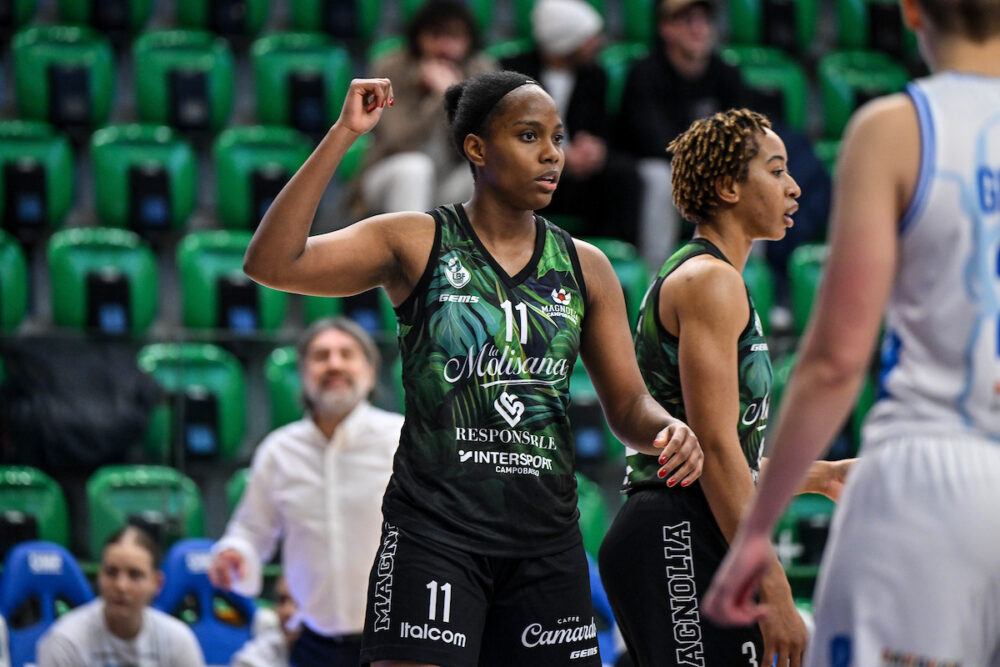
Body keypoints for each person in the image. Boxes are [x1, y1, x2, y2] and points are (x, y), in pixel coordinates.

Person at [241, 70, 704, 666]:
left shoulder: (585, 266)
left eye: (557, 139)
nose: (551, 155)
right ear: (477, 149)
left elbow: (627, 406)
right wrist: (344, 133)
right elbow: (272, 261)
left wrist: (666, 426)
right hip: (436, 533)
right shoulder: (415, 240)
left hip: (545, 540)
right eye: (529, 136)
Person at [703, 1, 1000, 665]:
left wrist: (755, 536)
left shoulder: (895, 129)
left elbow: (836, 360)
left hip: (929, 466)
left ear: (911, 11)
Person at [598, 109, 851, 667]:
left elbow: (721, 448)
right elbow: (713, 450)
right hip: (673, 532)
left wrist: (821, 477)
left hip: (685, 526)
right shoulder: (710, 282)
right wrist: (774, 589)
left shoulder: (715, 278)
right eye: (776, 170)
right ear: (729, 186)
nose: (794, 185)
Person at [208, 318, 403, 667]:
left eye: (347, 354)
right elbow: (251, 531)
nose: (334, 364)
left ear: (371, 372)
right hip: (312, 644)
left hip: (395, 643)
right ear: (302, 373)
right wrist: (235, 553)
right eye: (321, 356)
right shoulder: (278, 450)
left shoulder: (401, 439)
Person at [617, 0, 748, 268]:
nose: (699, 30)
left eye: (705, 22)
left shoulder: (727, 73)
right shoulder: (644, 72)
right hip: (660, 166)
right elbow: (652, 140)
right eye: (689, 21)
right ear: (666, 28)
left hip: (709, 168)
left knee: (750, 180)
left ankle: (742, 280)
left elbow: (743, 135)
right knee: (660, 180)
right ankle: (656, 279)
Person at [501, 0, 642, 243]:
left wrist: (596, 149)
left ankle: (615, 255)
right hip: (532, 166)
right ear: (566, 40)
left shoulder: (595, 75)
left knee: (624, 173)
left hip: (578, 174)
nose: (597, 44)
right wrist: (559, 154)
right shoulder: (514, 72)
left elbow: (603, 128)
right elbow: (510, 130)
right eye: (588, 37)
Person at [348, 0, 496, 217]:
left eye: (454, 37)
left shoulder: (481, 72)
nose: (444, 46)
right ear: (418, 37)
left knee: (488, 171)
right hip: (390, 175)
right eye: (435, 35)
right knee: (415, 168)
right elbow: (396, 141)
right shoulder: (391, 69)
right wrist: (437, 98)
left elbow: (479, 147)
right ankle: (411, 250)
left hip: (448, 183)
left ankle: (470, 250)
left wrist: (453, 97)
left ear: (469, 40)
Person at [36, 525, 205, 666]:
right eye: (112, 573)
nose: (121, 586)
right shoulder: (65, 642)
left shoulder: (178, 641)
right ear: (100, 577)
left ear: (157, 583)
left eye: (135, 575)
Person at [230, 576, 299, 667]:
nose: (287, 611)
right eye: (282, 600)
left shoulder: (321, 654)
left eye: (299, 601)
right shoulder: (260, 653)